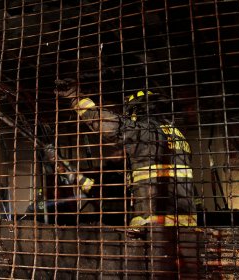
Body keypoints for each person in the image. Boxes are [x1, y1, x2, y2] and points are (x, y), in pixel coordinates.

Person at [54, 79, 197, 279]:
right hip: (186, 229)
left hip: (154, 229)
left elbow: (110, 126)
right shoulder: (178, 137)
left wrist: (75, 98)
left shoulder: (146, 131)